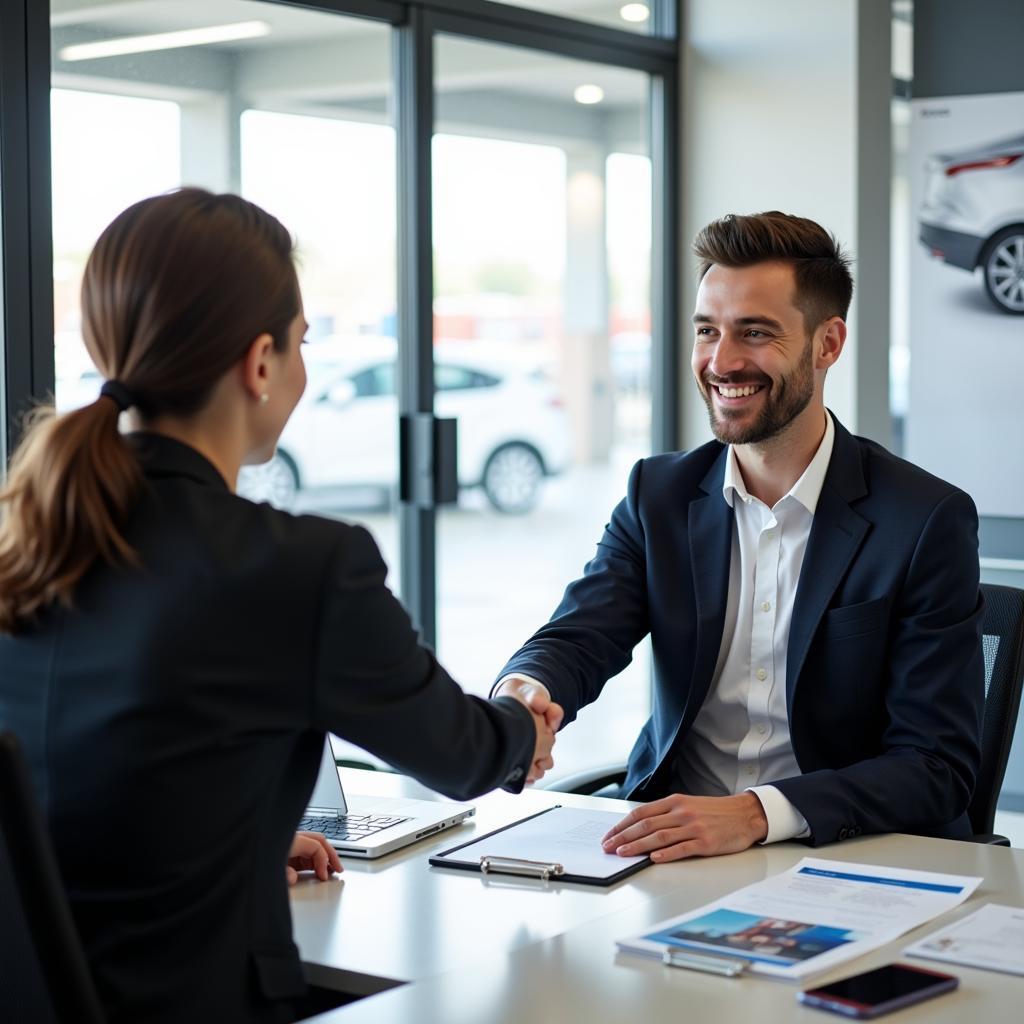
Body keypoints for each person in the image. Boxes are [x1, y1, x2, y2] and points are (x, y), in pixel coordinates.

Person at [0, 189, 560, 1024]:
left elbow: (81, 783)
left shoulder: (31, 538)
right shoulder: (297, 565)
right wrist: (524, 722)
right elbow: (461, 757)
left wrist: (240, 845)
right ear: (260, 363)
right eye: (302, 344)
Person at [495, 210, 984, 863]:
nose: (721, 362)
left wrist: (756, 815)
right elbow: (581, 637)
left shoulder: (923, 520)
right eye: (707, 331)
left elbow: (935, 765)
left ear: (827, 343)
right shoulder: (658, 496)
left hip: (844, 853)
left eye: (754, 333)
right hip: (669, 849)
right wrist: (526, 693)